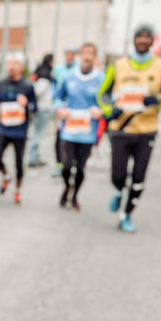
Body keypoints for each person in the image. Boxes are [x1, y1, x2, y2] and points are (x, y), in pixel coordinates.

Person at [97, 24, 161, 233]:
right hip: (121, 129)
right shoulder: (118, 65)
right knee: (118, 175)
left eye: (147, 37)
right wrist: (110, 110)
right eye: (139, 36)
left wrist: (157, 99)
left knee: (139, 177)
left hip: (146, 131)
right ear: (134, 39)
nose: (142, 40)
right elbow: (102, 94)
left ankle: (126, 214)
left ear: (152, 41)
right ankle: (119, 191)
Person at [54, 42, 104, 210]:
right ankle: (67, 187)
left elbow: (108, 100)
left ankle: (75, 195)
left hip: (88, 132)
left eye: (91, 53)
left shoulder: (101, 78)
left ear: (95, 57)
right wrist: (60, 109)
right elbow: (58, 97)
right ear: (80, 55)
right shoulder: (68, 77)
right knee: (67, 166)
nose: (87, 56)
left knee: (80, 169)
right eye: (84, 53)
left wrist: (102, 110)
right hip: (69, 130)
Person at [0, 52, 37, 204]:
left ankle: (18, 190)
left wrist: (27, 104)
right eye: (9, 64)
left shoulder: (28, 86)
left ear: (21, 67)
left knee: (18, 163)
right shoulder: (0, 84)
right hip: (4, 128)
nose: (11, 67)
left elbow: (35, 107)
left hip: (20, 131)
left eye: (15, 64)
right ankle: (6, 176)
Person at [51, 47, 78, 175]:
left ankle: (74, 162)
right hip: (62, 109)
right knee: (59, 136)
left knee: (74, 137)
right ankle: (59, 164)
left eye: (71, 54)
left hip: (75, 110)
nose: (69, 56)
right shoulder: (57, 69)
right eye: (67, 53)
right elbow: (54, 89)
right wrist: (57, 106)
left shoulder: (78, 68)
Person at [27, 52, 55, 167]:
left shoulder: (40, 74)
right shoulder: (44, 77)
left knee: (37, 134)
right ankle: (33, 159)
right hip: (42, 109)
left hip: (41, 108)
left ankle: (35, 157)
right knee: (37, 134)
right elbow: (37, 92)